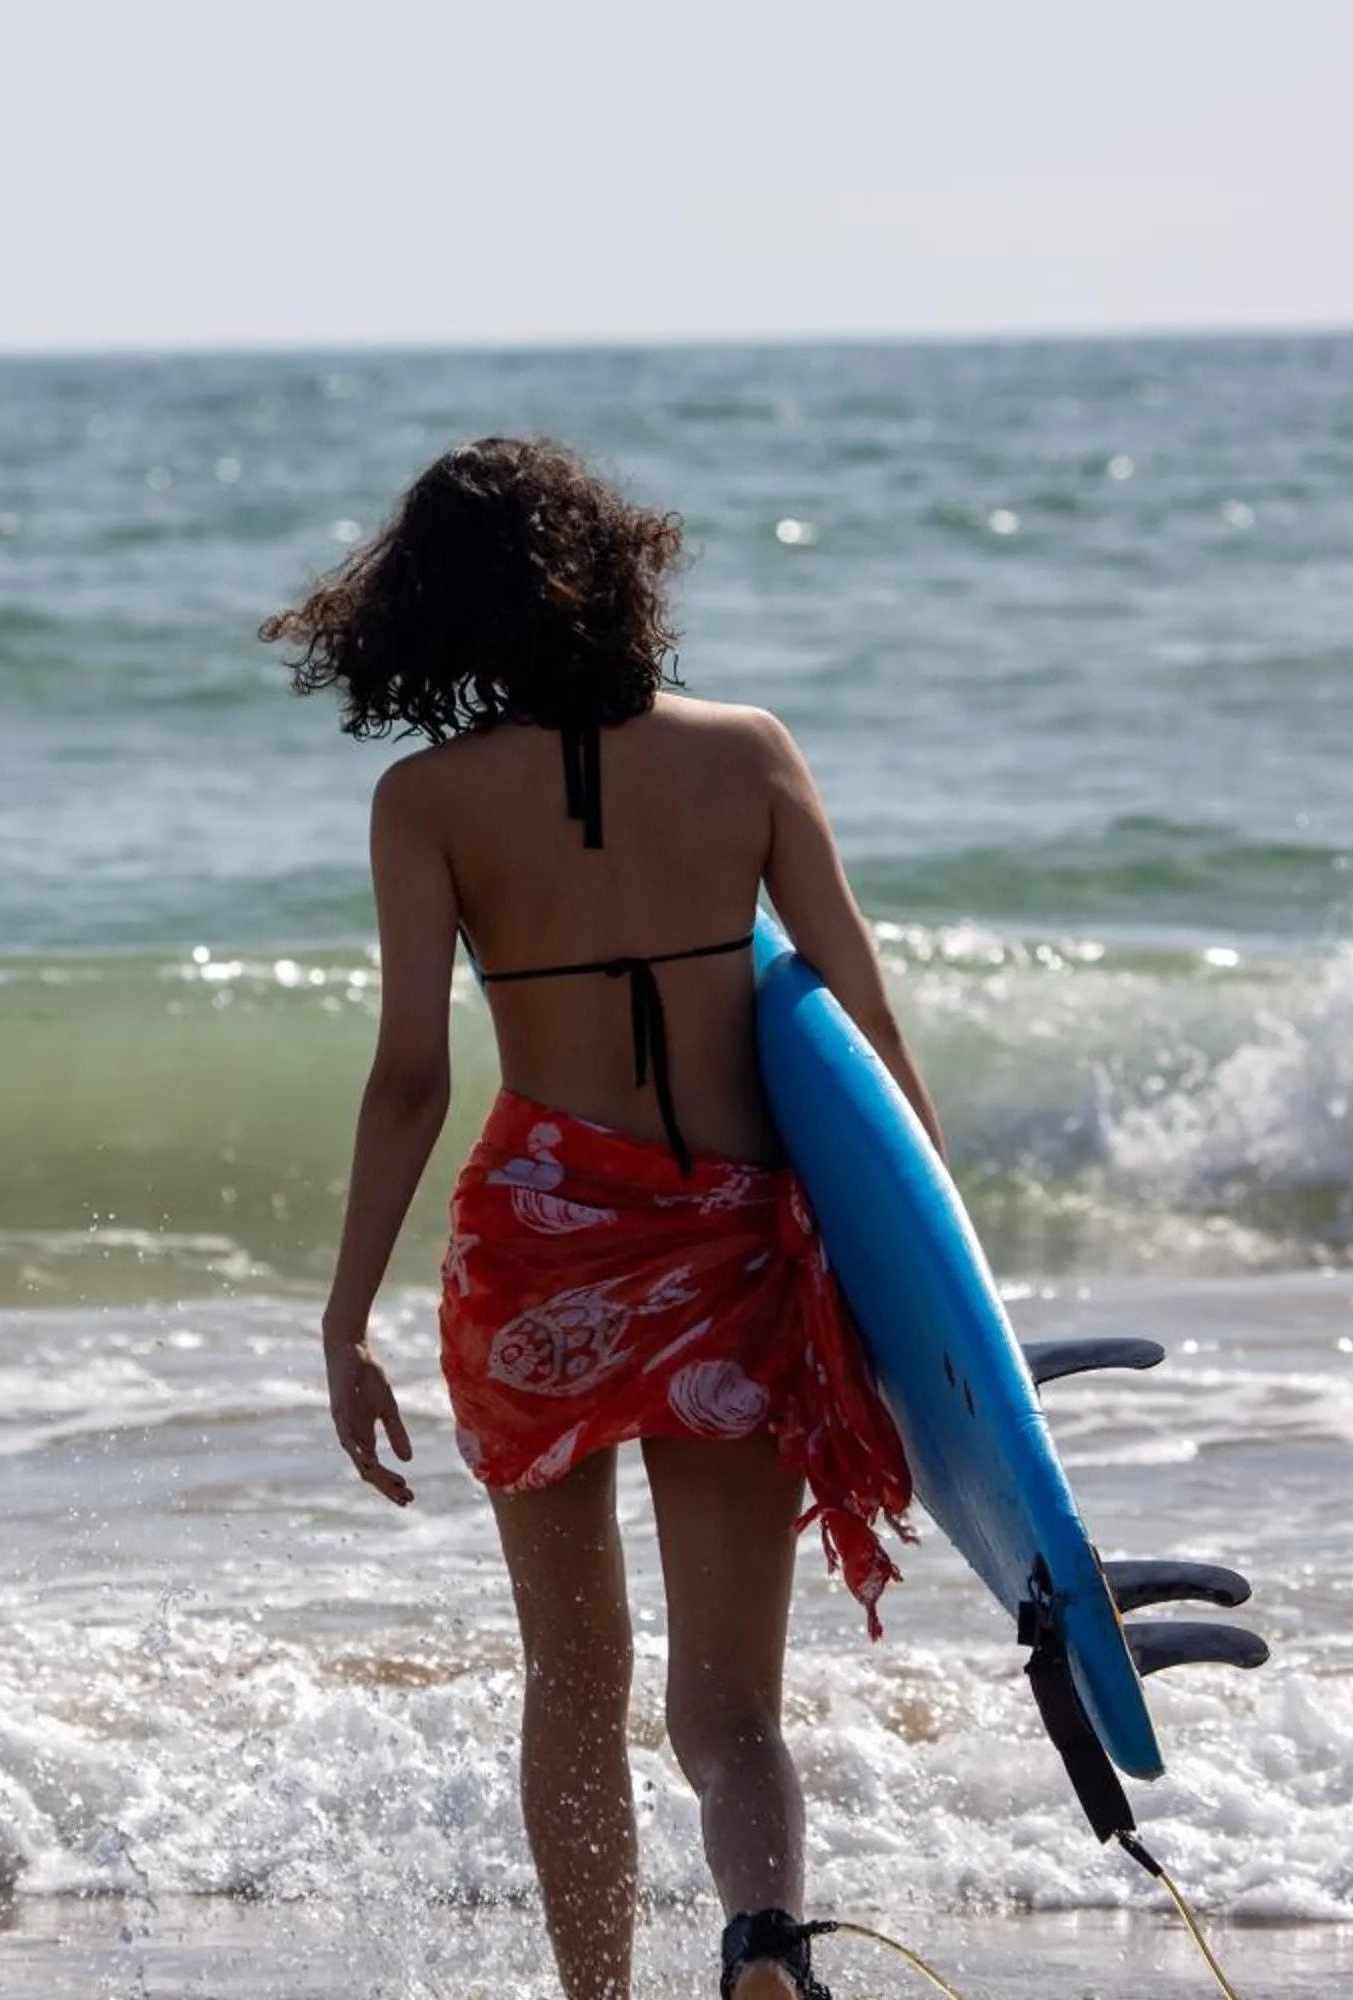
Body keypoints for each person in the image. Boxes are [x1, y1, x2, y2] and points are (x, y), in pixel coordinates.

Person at [267, 437, 942, 2000]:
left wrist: (344, 1315)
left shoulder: (425, 801)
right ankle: (766, 1938)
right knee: (733, 1713)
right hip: (731, 1255)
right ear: (623, 568)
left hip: (537, 1258)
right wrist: (928, 1280)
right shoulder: (749, 754)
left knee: (575, 1685)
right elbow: (866, 1023)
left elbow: (410, 1084)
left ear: (428, 606)